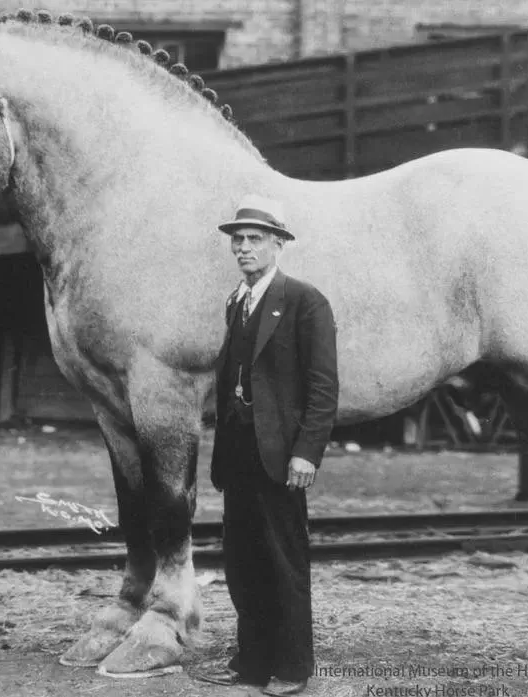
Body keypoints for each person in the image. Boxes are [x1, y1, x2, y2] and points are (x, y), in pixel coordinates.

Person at [199, 195, 339, 696]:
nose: (243, 247)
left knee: (284, 560)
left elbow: (323, 388)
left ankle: (293, 667)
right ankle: (252, 662)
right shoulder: (236, 301)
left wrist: (307, 452)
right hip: (238, 454)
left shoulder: (305, 301)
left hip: (281, 457)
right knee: (242, 560)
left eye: (254, 239)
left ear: (278, 245)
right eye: (237, 239)